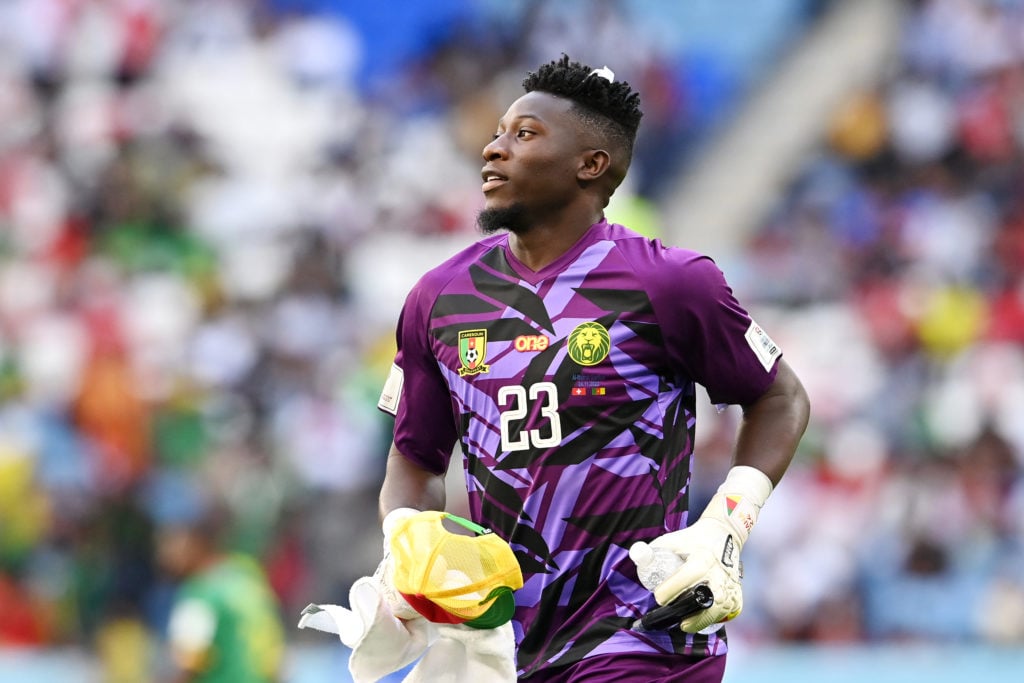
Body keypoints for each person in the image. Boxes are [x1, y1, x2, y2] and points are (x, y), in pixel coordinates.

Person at [376, 55, 811, 682]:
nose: (493, 149)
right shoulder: (438, 298)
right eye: (498, 132)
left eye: (523, 135)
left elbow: (780, 397)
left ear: (591, 165)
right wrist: (405, 540)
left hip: (642, 635)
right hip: (503, 648)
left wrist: (726, 525)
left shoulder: (669, 283)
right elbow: (414, 456)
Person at [156, 485, 285, 683]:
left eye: (173, 542)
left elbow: (187, 662)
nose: (165, 553)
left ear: (197, 542)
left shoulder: (200, 594)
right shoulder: (246, 575)